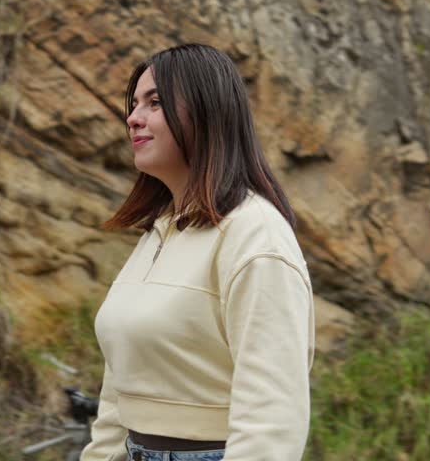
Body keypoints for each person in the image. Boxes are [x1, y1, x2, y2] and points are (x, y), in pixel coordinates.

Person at [79, 44, 315, 461]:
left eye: (155, 102)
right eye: (134, 103)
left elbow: (272, 417)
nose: (133, 117)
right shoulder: (160, 231)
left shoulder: (254, 235)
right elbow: (121, 386)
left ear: (207, 113)